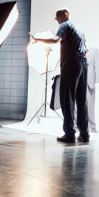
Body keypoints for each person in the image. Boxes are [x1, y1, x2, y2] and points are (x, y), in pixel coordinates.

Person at [29, 8, 89, 143]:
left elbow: (56, 39)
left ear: (65, 15)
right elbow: (87, 47)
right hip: (84, 64)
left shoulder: (65, 25)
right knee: (81, 100)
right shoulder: (78, 28)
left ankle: (69, 134)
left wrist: (38, 39)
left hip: (71, 64)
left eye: (57, 17)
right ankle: (85, 134)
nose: (57, 20)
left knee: (67, 99)